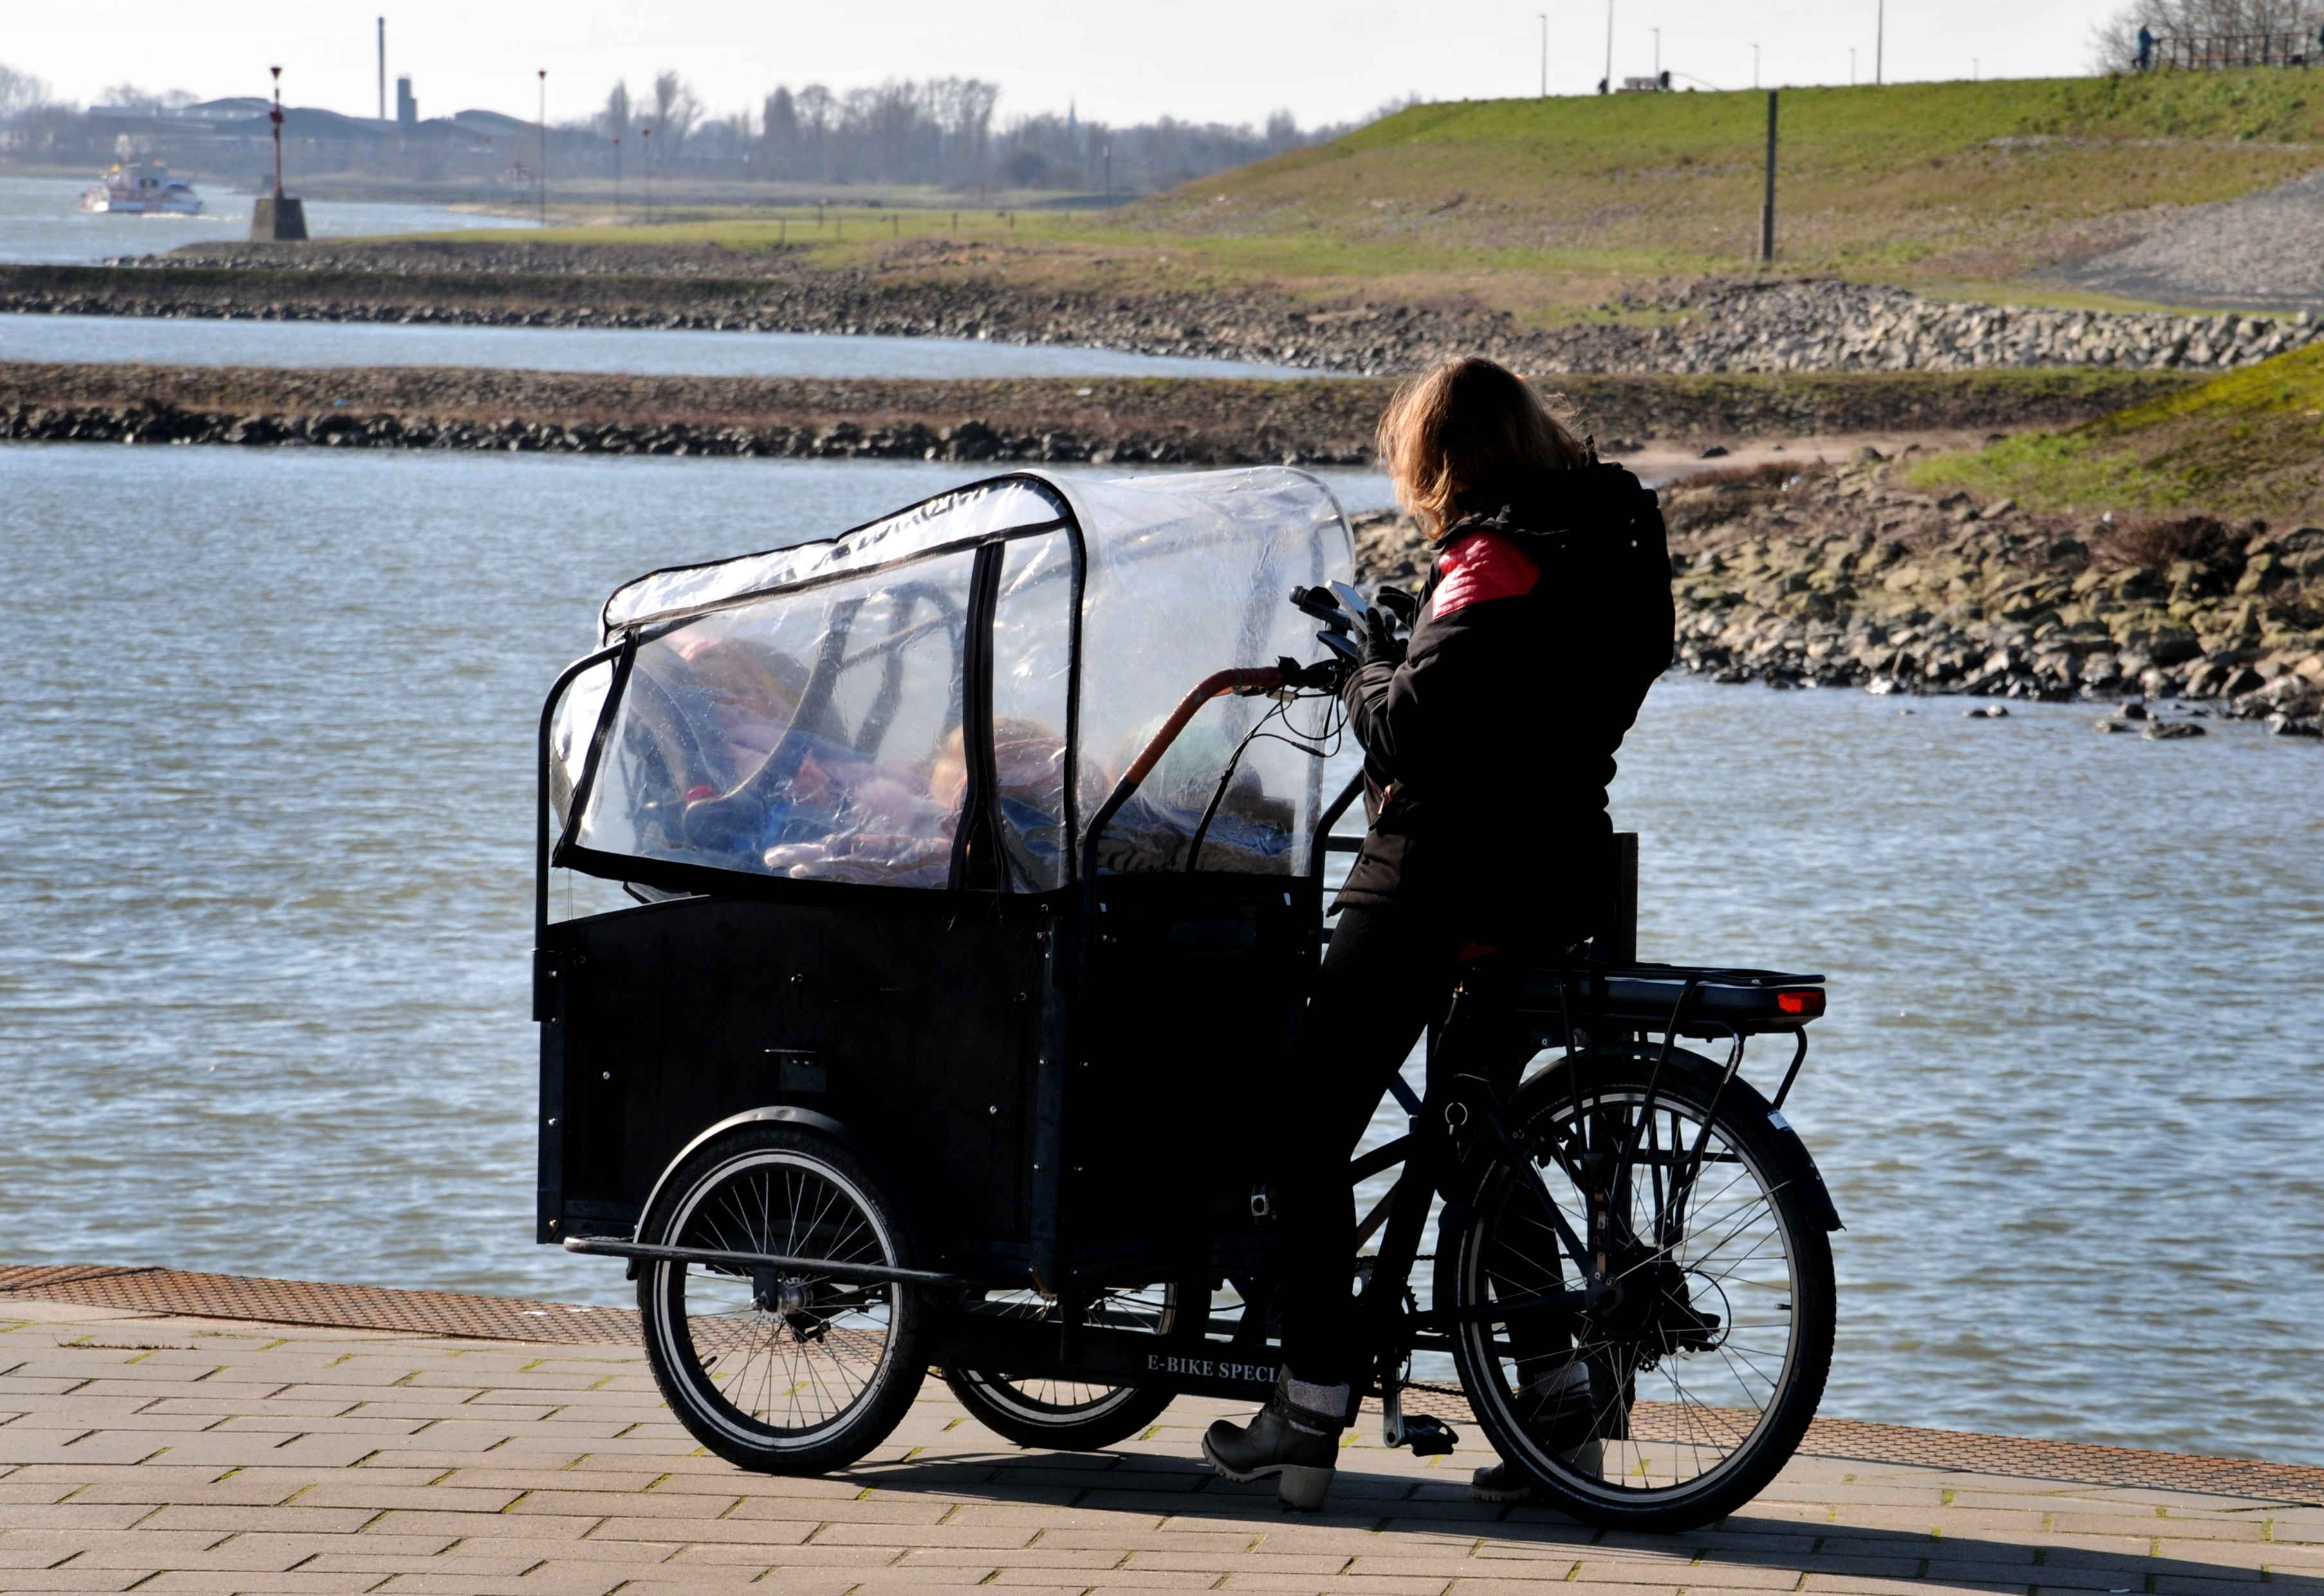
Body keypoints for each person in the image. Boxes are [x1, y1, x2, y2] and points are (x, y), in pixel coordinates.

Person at [1198, 356, 1676, 1510]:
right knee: (1477, 1142)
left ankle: (1309, 1402)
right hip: (1556, 868)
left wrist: (1369, 667)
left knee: (1304, 1125)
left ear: (1442, 461)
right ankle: (1557, 1409)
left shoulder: (1496, 554)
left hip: (1443, 875)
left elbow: (1413, 725)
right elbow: (1543, 682)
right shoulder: (1608, 535)